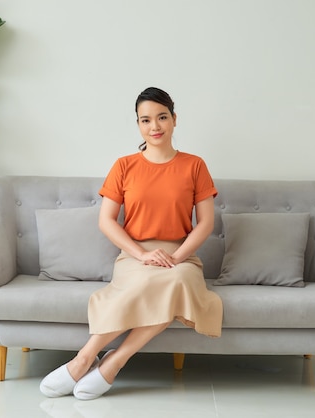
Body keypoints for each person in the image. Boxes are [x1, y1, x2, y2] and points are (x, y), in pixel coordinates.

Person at [40, 87, 223, 400]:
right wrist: (142, 254)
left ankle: (114, 361)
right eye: (146, 120)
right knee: (147, 286)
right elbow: (106, 220)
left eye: (162, 117)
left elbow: (206, 223)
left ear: (174, 120)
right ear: (138, 125)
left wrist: (177, 256)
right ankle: (85, 357)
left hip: (181, 256)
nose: (155, 126)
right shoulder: (124, 166)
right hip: (135, 256)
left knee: (176, 282)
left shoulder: (195, 165)